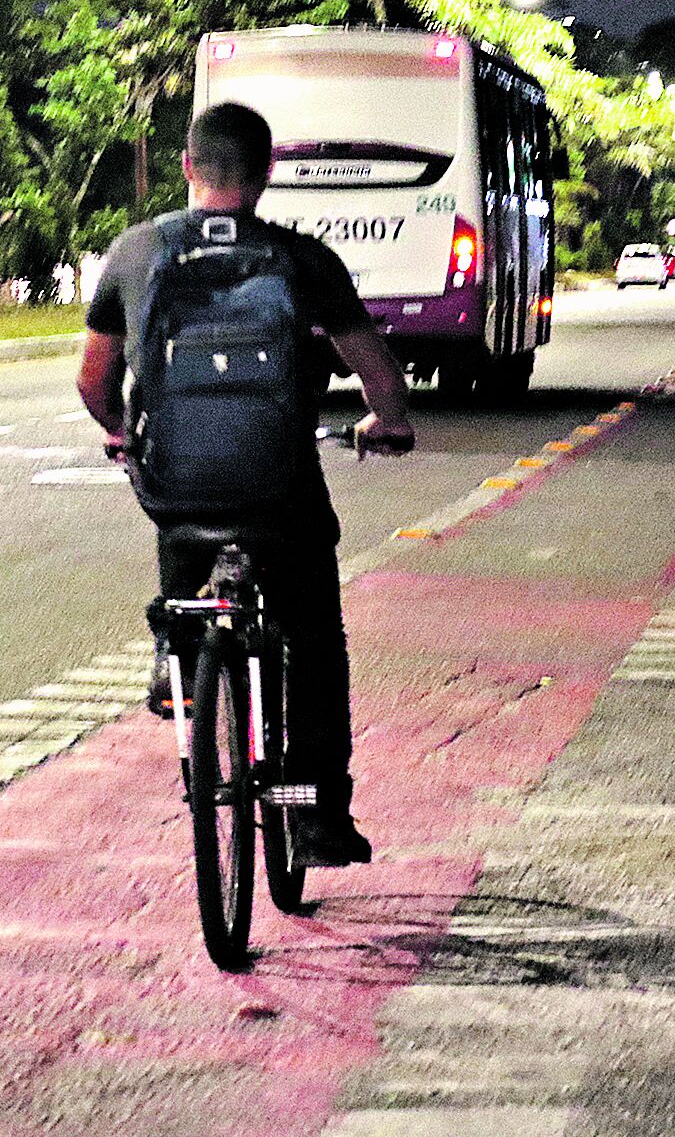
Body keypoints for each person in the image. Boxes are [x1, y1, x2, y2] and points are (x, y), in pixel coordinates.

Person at [77, 102, 416, 868]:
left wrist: (121, 433)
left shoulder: (136, 251)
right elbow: (379, 376)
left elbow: (93, 380)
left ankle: (178, 650)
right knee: (314, 638)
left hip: (178, 490)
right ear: (267, 174)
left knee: (178, 517)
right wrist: (385, 423)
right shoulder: (302, 260)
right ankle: (317, 810)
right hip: (281, 491)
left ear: (189, 166)